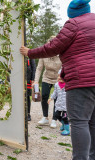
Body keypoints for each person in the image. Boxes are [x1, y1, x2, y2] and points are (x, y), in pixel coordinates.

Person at [20, 0, 95, 159]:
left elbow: (53, 47)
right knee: (92, 122)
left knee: (80, 122)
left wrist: (30, 52)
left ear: (73, 13)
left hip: (82, 81)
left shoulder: (73, 24)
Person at [33, 36, 62, 128]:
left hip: (58, 78)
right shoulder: (43, 54)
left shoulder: (61, 54)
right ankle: (45, 117)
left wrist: (63, 79)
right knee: (44, 96)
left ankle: (54, 119)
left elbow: (65, 67)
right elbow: (39, 68)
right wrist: (36, 81)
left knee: (57, 98)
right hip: (46, 77)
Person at [48, 70, 70, 136]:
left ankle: (67, 129)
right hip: (59, 104)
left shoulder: (68, 85)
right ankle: (63, 123)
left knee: (65, 117)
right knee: (56, 115)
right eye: (58, 76)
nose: (59, 77)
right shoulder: (56, 85)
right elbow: (55, 93)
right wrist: (51, 98)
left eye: (61, 76)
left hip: (65, 105)